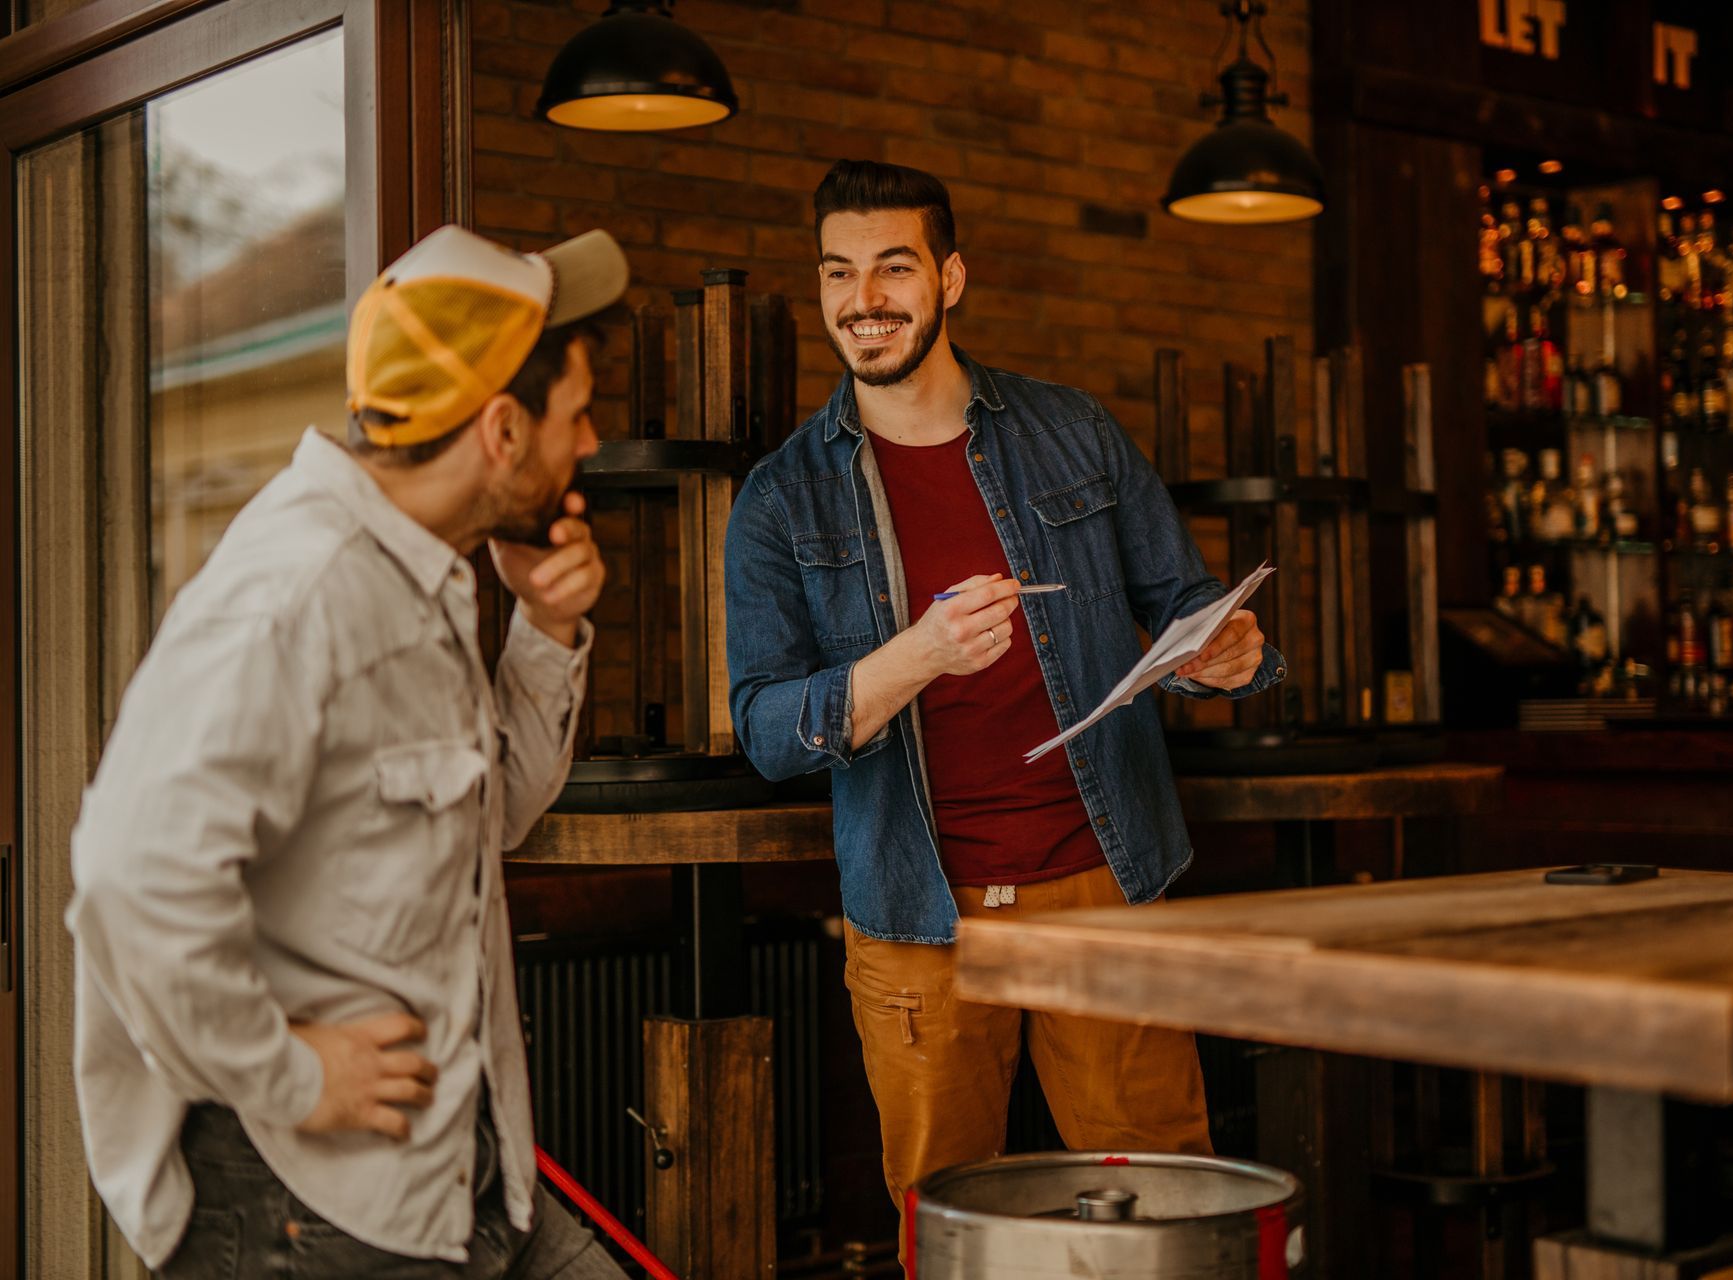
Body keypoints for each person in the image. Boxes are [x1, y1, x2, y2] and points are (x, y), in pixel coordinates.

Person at [724, 160, 1286, 1239]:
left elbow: (1189, 600)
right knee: (947, 1230)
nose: (863, 297)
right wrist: (921, 652)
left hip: (1102, 889)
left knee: (1166, 1216)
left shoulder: (1071, 429)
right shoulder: (781, 495)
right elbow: (765, 729)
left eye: (894, 266)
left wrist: (1228, 650)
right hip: (917, 919)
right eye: (839, 271)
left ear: (952, 276)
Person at [67, 224, 632, 1278]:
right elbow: (126, 875)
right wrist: (281, 1069)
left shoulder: (422, 574)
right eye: (577, 414)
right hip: (311, 1207)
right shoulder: (299, 593)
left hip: (457, 1173)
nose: (590, 444)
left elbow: (490, 817)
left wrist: (544, 631)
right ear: (503, 431)